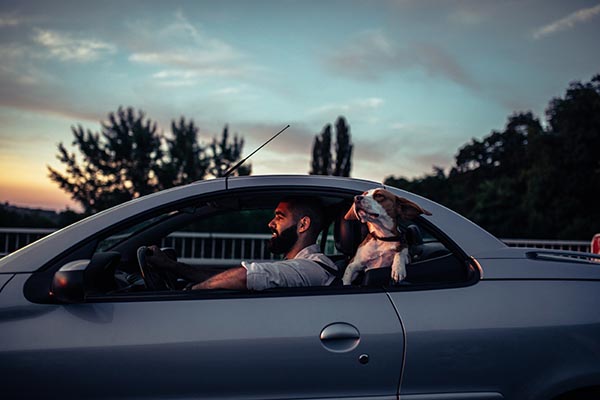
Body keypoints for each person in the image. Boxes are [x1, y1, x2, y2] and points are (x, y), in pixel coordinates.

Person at [146, 196, 338, 290]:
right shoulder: (297, 266)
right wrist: (171, 266)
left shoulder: (313, 267)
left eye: (279, 217)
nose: (270, 223)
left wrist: (193, 292)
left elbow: (245, 276)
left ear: (303, 224)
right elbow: (223, 277)